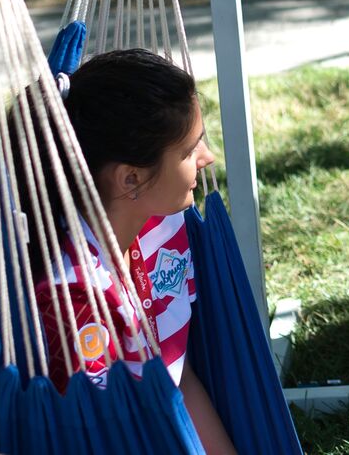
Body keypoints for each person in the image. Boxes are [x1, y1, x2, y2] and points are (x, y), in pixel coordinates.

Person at [26, 49, 235, 454]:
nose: (207, 158)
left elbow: (177, 374)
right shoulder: (76, 301)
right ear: (131, 179)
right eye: (189, 151)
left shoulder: (159, 228)